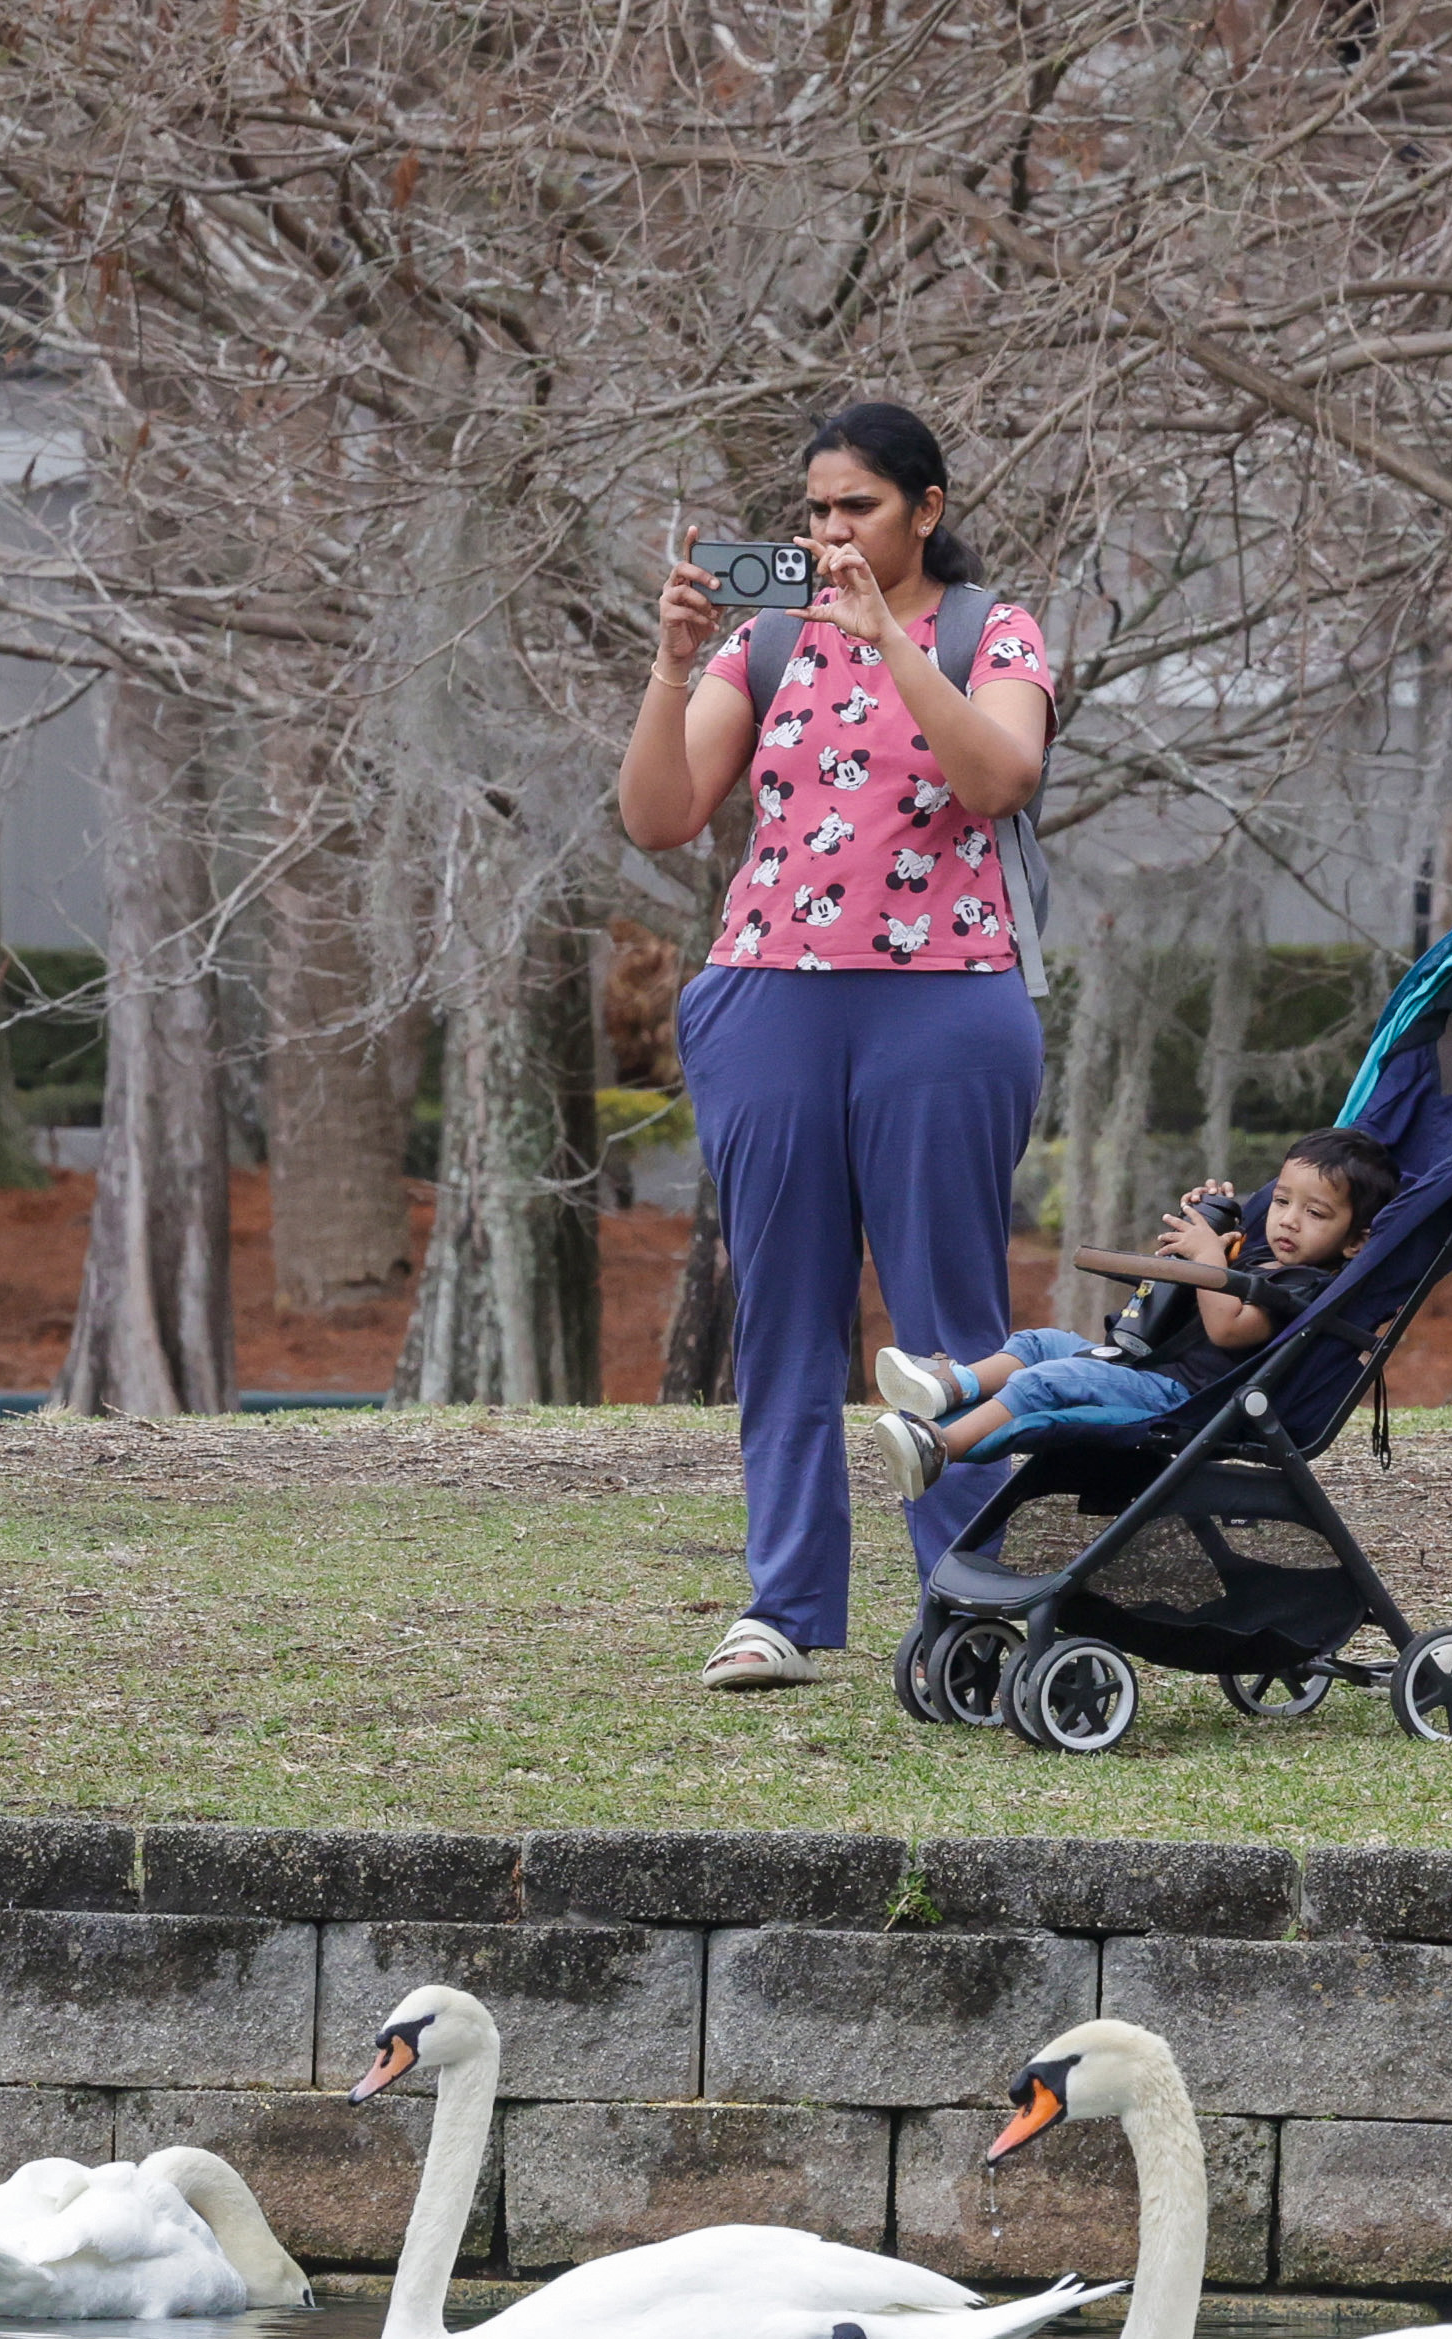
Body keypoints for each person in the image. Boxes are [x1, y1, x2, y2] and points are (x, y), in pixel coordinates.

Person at [615, 401, 1054, 1690]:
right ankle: (787, 1606)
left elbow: (999, 779)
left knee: (946, 1322)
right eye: (814, 510)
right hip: (770, 995)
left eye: (857, 506)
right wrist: (672, 664)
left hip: (947, 998)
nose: (830, 532)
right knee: (786, 1316)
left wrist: (891, 645)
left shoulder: (992, 632)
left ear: (926, 510)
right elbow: (658, 816)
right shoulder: (763, 643)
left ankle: (964, 1601)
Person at [864, 1129, 1395, 1492]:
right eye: (1281, 1201)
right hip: (1142, 1363)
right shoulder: (1259, 1255)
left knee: (1048, 1381)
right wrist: (1210, 1230)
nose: (1288, 1221)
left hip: (1183, 1397)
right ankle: (948, 1387)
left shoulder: (1307, 1287)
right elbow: (1178, 1289)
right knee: (1038, 1344)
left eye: (1315, 1212)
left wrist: (1211, 1260)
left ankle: (940, 1445)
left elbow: (1231, 1329)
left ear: (1354, 1242)